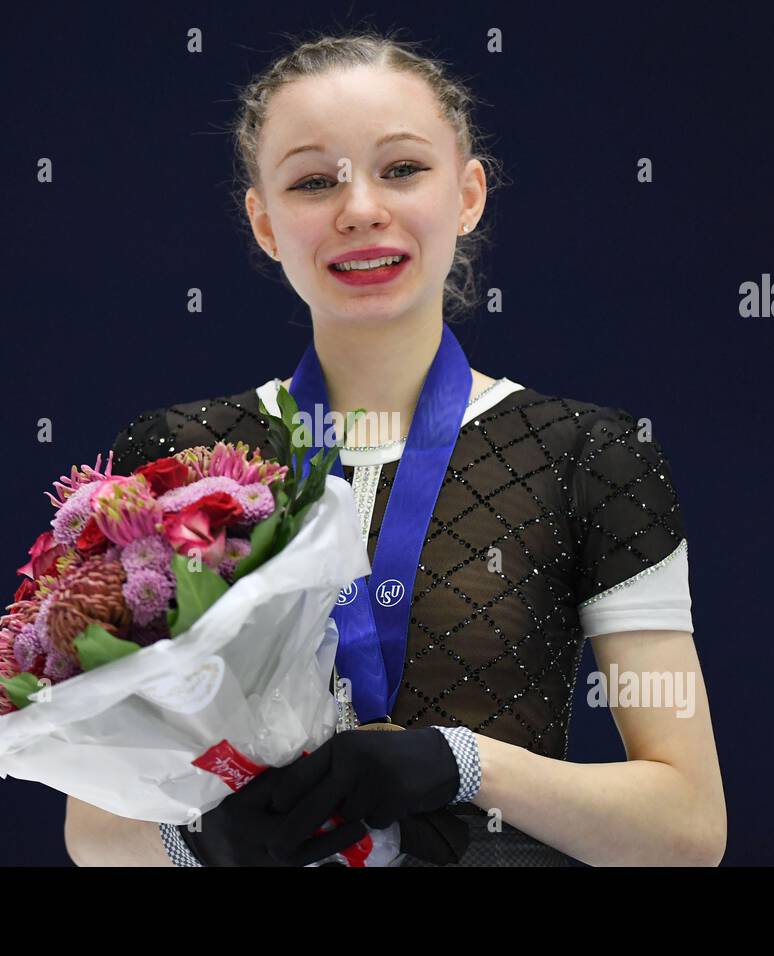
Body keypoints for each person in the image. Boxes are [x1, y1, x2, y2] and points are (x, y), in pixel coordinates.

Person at [64, 30, 726, 867]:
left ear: (469, 195)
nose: (360, 209)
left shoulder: (591, 456)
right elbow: (90, 832)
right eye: (313, 181)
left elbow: (689, 828)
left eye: (403, 169)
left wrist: (466, 765)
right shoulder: (175, 456)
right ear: (264, 223)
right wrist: (197, 842)